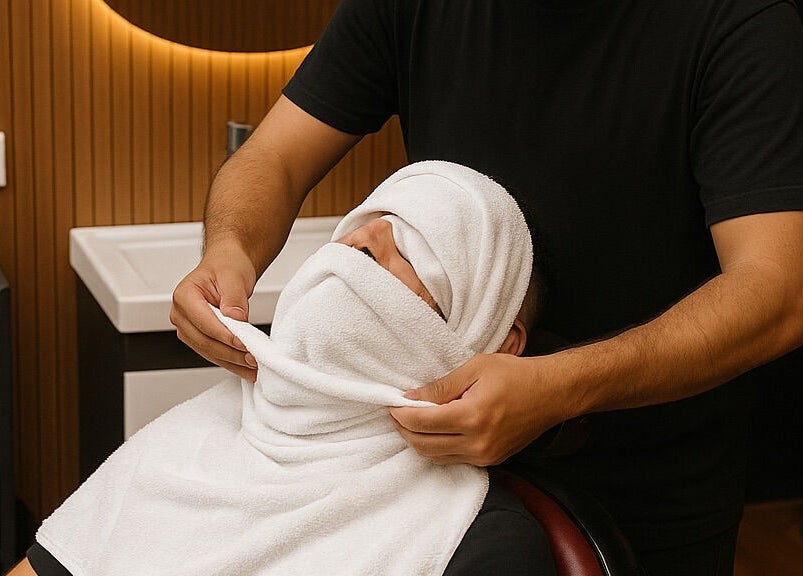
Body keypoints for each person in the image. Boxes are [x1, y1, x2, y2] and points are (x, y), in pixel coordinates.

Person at [168, 1, 803, 574]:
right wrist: (230, 248)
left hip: (647, 489)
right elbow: (272, 157)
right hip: (420, 467)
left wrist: (561, 387)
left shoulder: (742, 25)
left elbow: (777, 292)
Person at [10, 162, 556, 576]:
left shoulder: (480, 543)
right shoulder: (184, 442)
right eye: (362, 229)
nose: (363, 242)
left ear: (494, 342)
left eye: (415, 250)